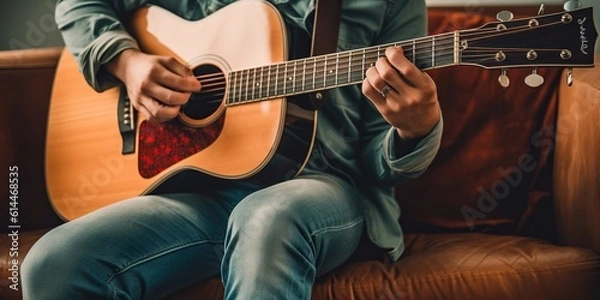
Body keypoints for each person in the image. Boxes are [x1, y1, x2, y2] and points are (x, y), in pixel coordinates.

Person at [22, 0, 443, 299]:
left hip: (323, 189)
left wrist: (415, 128)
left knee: (264, 218)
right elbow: (77, 5)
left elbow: (379, 162)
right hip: (196, 196)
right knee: (54, 264)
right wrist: (128, 63)